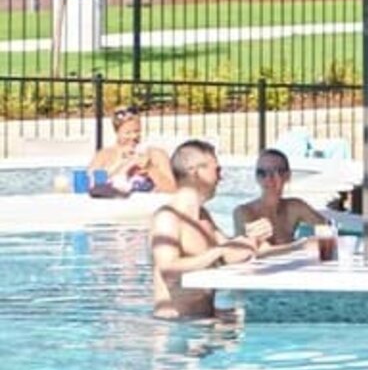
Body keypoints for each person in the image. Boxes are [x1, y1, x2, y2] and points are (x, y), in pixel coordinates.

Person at [150, 140, 260, 319]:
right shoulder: (167, 217)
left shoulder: (203, 217)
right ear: (195, 172)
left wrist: (253, 238)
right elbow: (168, 268)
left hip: (204, 323)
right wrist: (217, 252)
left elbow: (230, 253)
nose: (220, 177)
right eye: (217, 170)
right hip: (175, 329)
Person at [232, 149, 329, 246]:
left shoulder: (295, 207)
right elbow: (253, 251)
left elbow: (329, 229)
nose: (268, 178)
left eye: (276, 171)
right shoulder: (244, 212)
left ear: (287, 176)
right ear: (256, 177)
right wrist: (303, 245)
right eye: (262, 172)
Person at [87, 107, 177, 195]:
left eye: (137, 131)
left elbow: (173, 189)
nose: (134, 136)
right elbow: (89, 186)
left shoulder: (156, 155)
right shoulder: (104, 155)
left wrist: (150, 168)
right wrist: (121, 164)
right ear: (117, 132)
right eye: (128, 133)